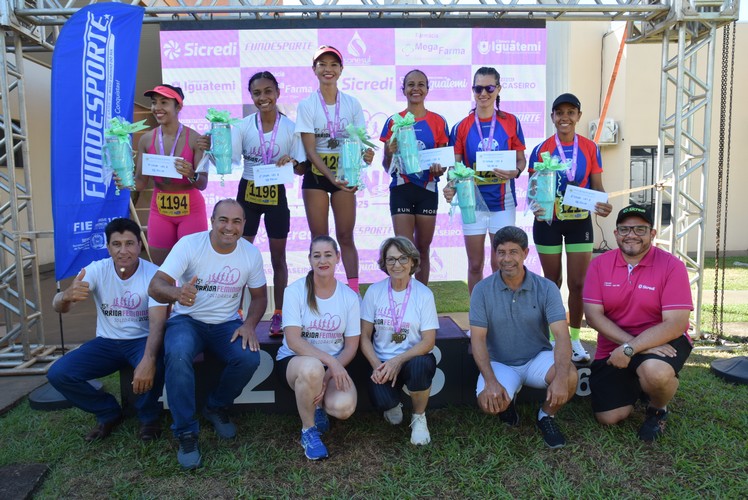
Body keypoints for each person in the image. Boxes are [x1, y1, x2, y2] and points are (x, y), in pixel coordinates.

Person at [148, 199, 268, 469]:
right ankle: (186, 433)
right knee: (177, 355)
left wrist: (248, 324)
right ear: (212, 221)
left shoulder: (250, 253)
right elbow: (155, 286)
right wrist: (177, 293)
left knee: (249, 358)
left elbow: (260, 297)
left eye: (237, 221)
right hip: (187, 320)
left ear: (244, 225)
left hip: (225, 324)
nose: (229, 227)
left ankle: (215, 406)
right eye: (223, 220)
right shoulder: (190, 244)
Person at [47, 218, 167, 442]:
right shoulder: (96, 269)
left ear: (140, 245)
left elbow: (158, 324)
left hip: (141, 339)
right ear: (108, 247)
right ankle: (108, 412)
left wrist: (148, 360)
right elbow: (59, 305)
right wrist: (65, 296)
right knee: (59, 373)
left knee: (156, 361)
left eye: (130, 243)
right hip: (107, 342)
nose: (124, 251)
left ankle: (149, 417)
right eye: (116, 244)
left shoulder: (154, 274)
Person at [583, 205, 693, 442]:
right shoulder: (599, 265)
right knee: (609, 417)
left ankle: (657, 408)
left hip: (664, 342)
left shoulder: (672, 266)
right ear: (615, 234)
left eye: (640, 229)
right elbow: (593, 317)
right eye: (625, 229)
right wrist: (631, 345)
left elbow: (675, 324)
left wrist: (632, 349)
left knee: (655, 373)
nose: (631, 234)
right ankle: (639, 384)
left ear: (652, 234)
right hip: (615, 346)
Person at [469, 226, 577, 449]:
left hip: (537, 357)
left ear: (526, 253)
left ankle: (546, 416)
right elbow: (478, 340)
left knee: (570, 377)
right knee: (488, 404)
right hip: (500, 361)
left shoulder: (546, 287)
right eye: (501, 252)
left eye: (513, 252)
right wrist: (490, 381)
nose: (507, 258)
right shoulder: (481, 290)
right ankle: (508, 401)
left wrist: (560, 378)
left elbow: (562, 336)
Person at [528, 93, 613, 363]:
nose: (565, 117)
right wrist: (534, 205)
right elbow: (532, 191)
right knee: (552, 283)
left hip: (579, 223)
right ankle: (554, 339)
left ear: (578, 116)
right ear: (552, 117)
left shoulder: (589, 147)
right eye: (559, 112)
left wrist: (602, 203)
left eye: (570, 112)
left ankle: (575, 339)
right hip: (548, 223)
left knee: (578, 284)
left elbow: (598, 188)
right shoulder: (541, 149)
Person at [229, 71, 306, 338]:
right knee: (240, 255)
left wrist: (294, 163)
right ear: (251, 96)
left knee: (278, 258)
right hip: (247, 192)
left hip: (276, 195)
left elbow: (301, 169)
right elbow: (229, 160)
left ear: (277, 92)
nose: (263, 97)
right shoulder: (242, 126)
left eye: (268, 91)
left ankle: (279, 313)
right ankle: (235, 312)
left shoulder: (290, 127)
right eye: (257, 93)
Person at [294, 45, 375, 294]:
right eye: (322, 65)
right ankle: (321, 291)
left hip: (346, 175)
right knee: (320, 239)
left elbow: (360, 143)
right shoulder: (307, 104)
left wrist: (366, 155)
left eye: (333, 65)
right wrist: (332, 177)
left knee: (345, 235)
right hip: (318, 176)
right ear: (314, 70)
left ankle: (353, 291)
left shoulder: (351, 104)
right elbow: (310, 150)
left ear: (341, 70)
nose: (328, 69)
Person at [275, 236, 360, 460]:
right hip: (296, 362)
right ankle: (308, 431)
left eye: (328, 255)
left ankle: (320, 406)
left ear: (338, 258)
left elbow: (351, 346)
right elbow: (294, 341)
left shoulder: (349, 297)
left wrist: (331, 370)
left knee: (343, 408)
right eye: (317, 255)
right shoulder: (294, 291)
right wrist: (329, 363)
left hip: (331, 367)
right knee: (313, 367)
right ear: (310, 259)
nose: (322, 260)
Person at [444, 67, 527, 294]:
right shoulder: (461, 126)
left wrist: (516, 173)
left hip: (503, 203)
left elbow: (521, 160)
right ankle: (477, 319)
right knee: (475, 265)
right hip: (473, 204)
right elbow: (455, 168)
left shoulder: (511, 122)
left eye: (489, 88)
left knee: (501, 264)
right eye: (478, 88)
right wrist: (450, 186)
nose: (484, 93)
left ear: (498, 89)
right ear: (473, 90)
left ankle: (501, 316)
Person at [360, 237, 439, 446]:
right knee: (384, 402)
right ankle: (393, 405)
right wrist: (378, 366)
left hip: (412, 359)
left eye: (403, 258)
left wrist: (399, 361)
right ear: (384, 264)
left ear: (412, 261)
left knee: (422, 365)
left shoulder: (423, 294)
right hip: (383, 362)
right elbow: (364, 337)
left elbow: (429, 341)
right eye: (391, 260)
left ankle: (419, 417)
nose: (397, 265)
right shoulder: (374, 292)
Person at [379, 70, 450, 285]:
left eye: (421, 84)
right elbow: (386, 166)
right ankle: (403, 297)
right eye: (411, 84)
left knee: (423, 249)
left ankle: (422, 297)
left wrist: (440, 169)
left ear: (427, 89)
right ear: (403, 90)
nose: (416, 88)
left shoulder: (438, 121)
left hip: (427, 189)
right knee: (403, 249)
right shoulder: (393, 121)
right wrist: (390, 152)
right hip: (401, 188)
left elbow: (443, 162)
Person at [134, 84, 208, 266]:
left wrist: (191, 174)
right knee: (161, 269)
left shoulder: (194, 139)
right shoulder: (146, 140)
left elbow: (203, 183)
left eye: (164, 102)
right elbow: (140, 184)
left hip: (191, 209)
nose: (157, 108)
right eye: (154, 103)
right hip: (160, 210)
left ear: (178, 107)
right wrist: (123, 179)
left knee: (193, 269)